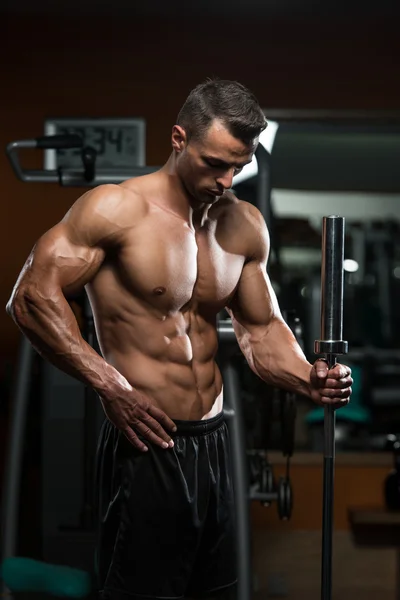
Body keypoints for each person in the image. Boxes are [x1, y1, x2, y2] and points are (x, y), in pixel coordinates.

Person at [7, 79, 352, 600]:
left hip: (213, 441)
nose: (226, 179)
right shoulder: (116, 210)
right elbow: (31, 297)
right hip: (147, 441)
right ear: (178, 138)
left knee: (216, 589)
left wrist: (309, 378)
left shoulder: (243, 225)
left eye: (238, 166)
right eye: (215, 163)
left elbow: (260, 330)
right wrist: (110, 385)